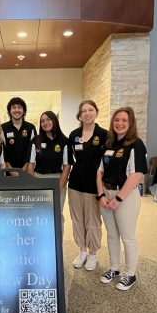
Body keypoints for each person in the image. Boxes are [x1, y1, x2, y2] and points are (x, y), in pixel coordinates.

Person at [96, 106, 148, 290]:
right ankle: (114, 268)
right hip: (106, 194)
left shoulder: (136, 144)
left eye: (124, 120)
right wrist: (101, 195)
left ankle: (130, 273)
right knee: (111, 235)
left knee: (127, 237)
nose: (119, 123)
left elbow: (136, 174)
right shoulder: (108, 144)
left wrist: (117, 199)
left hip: (125, 196)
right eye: (116, 120)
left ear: (130, 123)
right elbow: (99, 171)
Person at [68, 100, 107, 271]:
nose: (87, 113)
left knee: (93, 221)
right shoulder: (74, 135)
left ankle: (93, 254)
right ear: (80, 115)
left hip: (94, 185)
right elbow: (70, 159)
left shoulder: (104, 134)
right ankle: (82, 251)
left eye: (90, 110)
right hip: (75, 183)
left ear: (97, 112)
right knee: (77, 219)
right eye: (83, 110)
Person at [27, 111, 70, 228]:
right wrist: (33, 185)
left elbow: (67, 166)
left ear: (54, 120)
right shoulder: (36, 141)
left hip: (57, 180)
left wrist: (59, 187)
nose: (45, 123)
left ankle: (57, 244)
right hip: (38, 180)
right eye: (42, 121)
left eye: (48, 119)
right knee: (38, 214)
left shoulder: (64, 141)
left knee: (56, 215)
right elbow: (30, 164)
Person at [2, 97, 37, 170]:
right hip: (8, 171)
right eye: (13, 107)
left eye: (20, 107)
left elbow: (32, 150)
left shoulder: (30, 128)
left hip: (27, 170)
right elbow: (2, 151)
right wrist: (10, 170)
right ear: (9, 111)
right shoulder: (3, 128)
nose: (17, 110)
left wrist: (24, 169)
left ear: (24, 111)